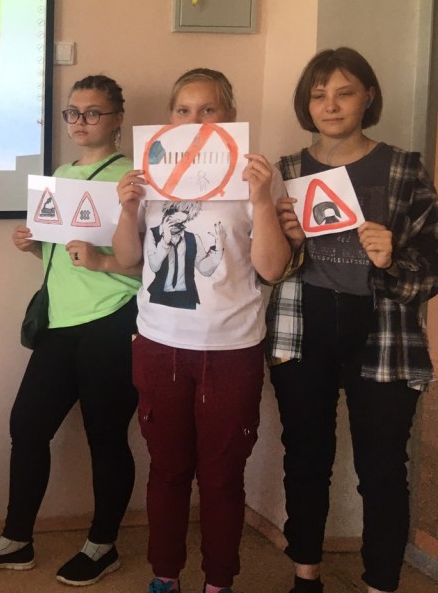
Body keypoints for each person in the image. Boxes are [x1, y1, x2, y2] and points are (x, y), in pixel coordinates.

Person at [0, 75, 141, 587]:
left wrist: (101, 261)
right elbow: (65, 256)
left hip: (113, 321)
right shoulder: (61, 174)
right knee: (27, 427)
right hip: (59, 323)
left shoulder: (132, 179)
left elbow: (149, 263)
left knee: (106, 437)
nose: (81, 122)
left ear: (117, 119)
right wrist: (35, 246)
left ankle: (102, 545)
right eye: (73, 112)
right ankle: (16, 540)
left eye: (93, 112)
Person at [265, 48, 438, 593]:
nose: (331, 105)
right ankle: (306, 577)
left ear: (368, 96)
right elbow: (272, 268)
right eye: (319, 95)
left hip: (384, 334)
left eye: (344, 93)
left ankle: (380, 583)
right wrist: (290, 240)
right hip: (301, 326)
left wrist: (392, 259)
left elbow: (431, 264)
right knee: (305, 459)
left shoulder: (403, 167)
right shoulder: (290, 169)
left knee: (382, 469)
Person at [112, 69, 290, 593]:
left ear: (229, 117)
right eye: (184, 110)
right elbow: (127, 259)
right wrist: (128, 208)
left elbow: (272, 268)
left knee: (221, 476)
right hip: (159, 345)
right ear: (170, 118)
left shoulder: (255, 178)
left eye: (209, 109)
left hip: (231, 349)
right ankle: (165, 575)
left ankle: (219, 581)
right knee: (167, 470)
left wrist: (262, 199)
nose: (195, 120)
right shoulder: (151, 178)